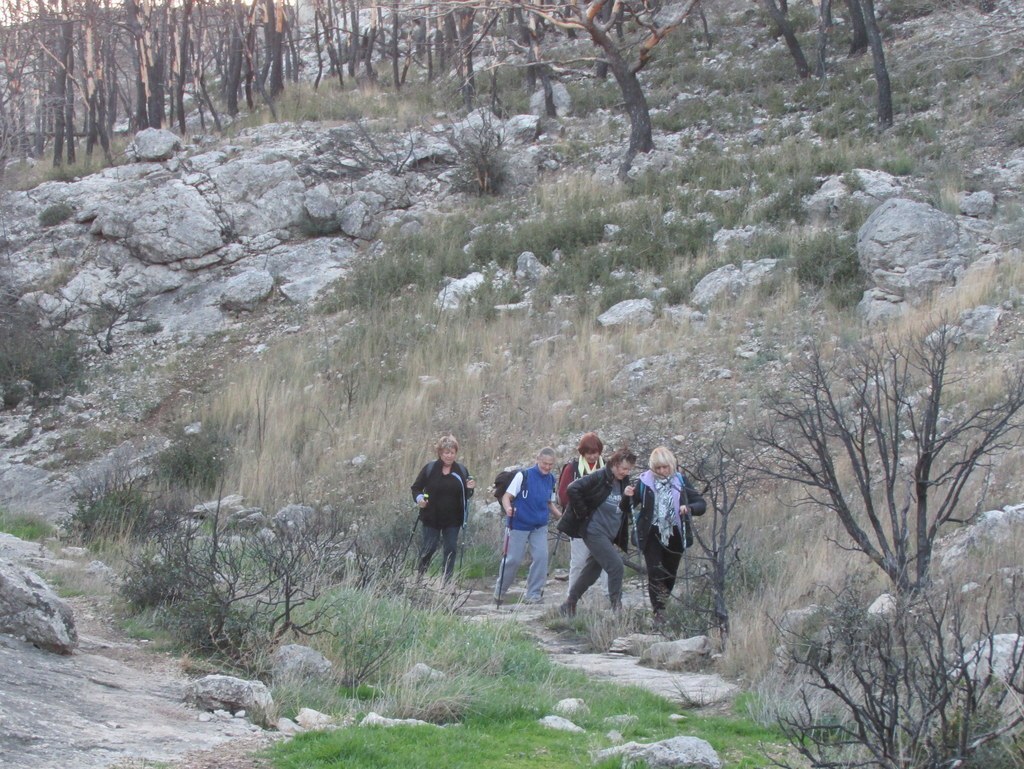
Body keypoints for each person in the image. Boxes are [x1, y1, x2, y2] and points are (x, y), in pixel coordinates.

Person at [625, 446, 706, 623]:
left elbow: (701, 503)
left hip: (675, 533)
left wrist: (689, 508)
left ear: (671, 465)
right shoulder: (645, 482)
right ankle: (658, 611)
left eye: (665, 467)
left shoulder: (681, 481)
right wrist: (627, 496)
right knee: (655, 571)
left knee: (670, 573)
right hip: (651, 532)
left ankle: (663, 603)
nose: (662, 471)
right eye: (658, 468)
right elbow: (627, 507)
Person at [560, 447, 638, 616]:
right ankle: (616, 608)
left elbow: (623, 508)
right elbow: (573, 488)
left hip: (610, 532)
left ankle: (569, 603)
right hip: (594, 530)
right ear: (615, 464)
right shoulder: (601, 476)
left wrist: (627, 496)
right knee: (616, 566)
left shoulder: (624, 480)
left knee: (592, 571)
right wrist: (583, 512)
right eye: (624, 468)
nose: (626, 472)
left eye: (628, 469)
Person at [495, 447, 561, 604]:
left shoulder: (551, 479)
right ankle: (500, 591)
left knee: (541, 557)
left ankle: (533, 595)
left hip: (539, 525)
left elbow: (549, 503)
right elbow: (506, 497)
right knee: (513, 560)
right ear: (537, 459)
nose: (547, 467)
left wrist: (561, 516)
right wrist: (508, 508)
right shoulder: (523, 476)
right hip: (518, 524)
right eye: (544, 463)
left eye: (550, 464)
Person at [410, 434, 476, 584]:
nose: (449, 456)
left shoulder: (461, 471)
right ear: (440, 453)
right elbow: (416, 488)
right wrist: (420, 499)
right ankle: (419, 578)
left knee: (451, 548)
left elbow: (466, 496)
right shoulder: (430, 469)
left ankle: (446, 581)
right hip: (431, 517)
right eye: (446, 452)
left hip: (453, 519)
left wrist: (470, 489)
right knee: (429, 548)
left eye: (452, 452)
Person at [556, 432, 608, 599]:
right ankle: (572, 597)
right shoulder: (572, 468)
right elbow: (564, 495)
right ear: (582, 453)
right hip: (579, 522)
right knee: (578, 562)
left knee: (607, 559)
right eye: (589, 453)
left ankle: (610, 595)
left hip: (602, 522)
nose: (593, 456)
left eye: (595, 452)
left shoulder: (607, 467)